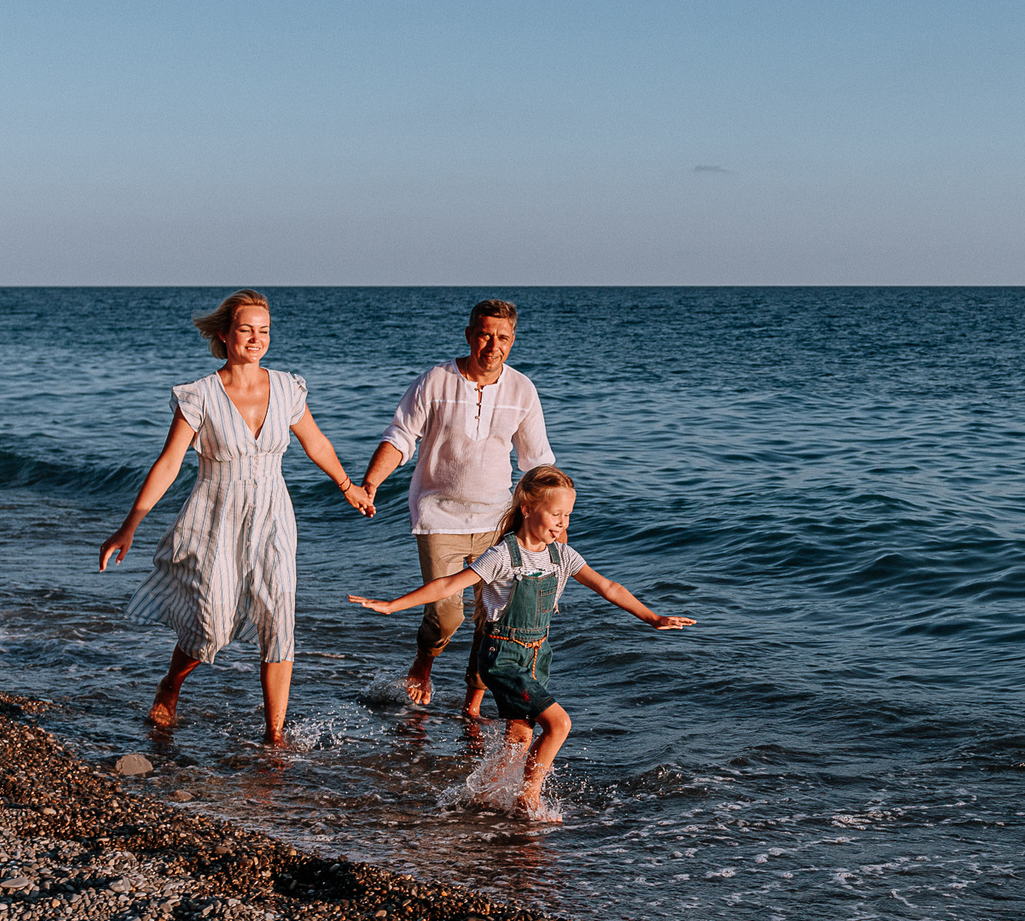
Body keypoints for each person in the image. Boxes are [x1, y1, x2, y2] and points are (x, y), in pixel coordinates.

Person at [100, 291, 374, 742]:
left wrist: (349, 488)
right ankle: (172, 683)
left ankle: (275, 734)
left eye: (263, 330)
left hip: (273, 516)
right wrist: (130, 525)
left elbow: (316, 443)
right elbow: (168, 463)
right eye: (246, 329)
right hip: (214, 518)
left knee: (278, 616)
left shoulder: (287, 388)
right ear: (225, 335)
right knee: (211, 620)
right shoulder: (201, 396)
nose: (255, 338)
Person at [349, 465, 692, 815]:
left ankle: (476, 797)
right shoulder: (503, 556)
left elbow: (608, 587)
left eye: (568, 515)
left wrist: (652, 617)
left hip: (537, 656)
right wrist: (393, 605)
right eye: (556, 514)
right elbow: (449, 584)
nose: (563, 522)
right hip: (503, 657)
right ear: (527, 508)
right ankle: (529, 797)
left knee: (519, 738)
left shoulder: (563, 556)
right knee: (559, 724)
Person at [357, 298, 554, 708]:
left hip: (497, 520)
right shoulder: (436, 381)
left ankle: (473, 700)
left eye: (502, 337)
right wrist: (372, 481)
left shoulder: (522, 390)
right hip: (438, 515)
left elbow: (537, 464)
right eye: (484, 334)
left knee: (493, 618)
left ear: (513, 340)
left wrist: (553, 522)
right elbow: (401, 436)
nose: (492, 345)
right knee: (448, 613)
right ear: (469, 335)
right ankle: (424, 660)